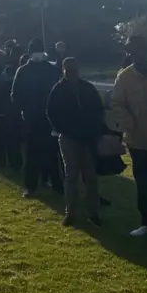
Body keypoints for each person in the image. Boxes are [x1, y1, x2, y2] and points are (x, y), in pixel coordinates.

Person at [112, 35, 147, 236]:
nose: (134, 55)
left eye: (138, 50)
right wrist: (128, 123)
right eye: (131, 51)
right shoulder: (124, 76)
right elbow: (117, 104)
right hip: (138, 140)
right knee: (144, 183)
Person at [47, 58, 104, 227]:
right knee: (71, 175)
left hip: (87, 137)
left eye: (74, 69)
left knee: (90, 176)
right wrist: (63, 129)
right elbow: (51, 112)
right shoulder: (58, 89)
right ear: (64, 70)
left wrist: (95, 129)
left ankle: (93, 212)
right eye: (69, 69)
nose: (72, 72)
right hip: (69, 138)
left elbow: (98, 109)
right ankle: (70, 212)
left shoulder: (87, 88)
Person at [12, 38, 63, 198]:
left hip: (48, 117)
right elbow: (15, 94)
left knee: (52, 152)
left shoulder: (50, 69)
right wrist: (23, 108)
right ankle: (32, 185)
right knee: (34, 153)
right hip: (33, 117)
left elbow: (59, 89)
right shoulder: (23, 70)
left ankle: (55, 183)